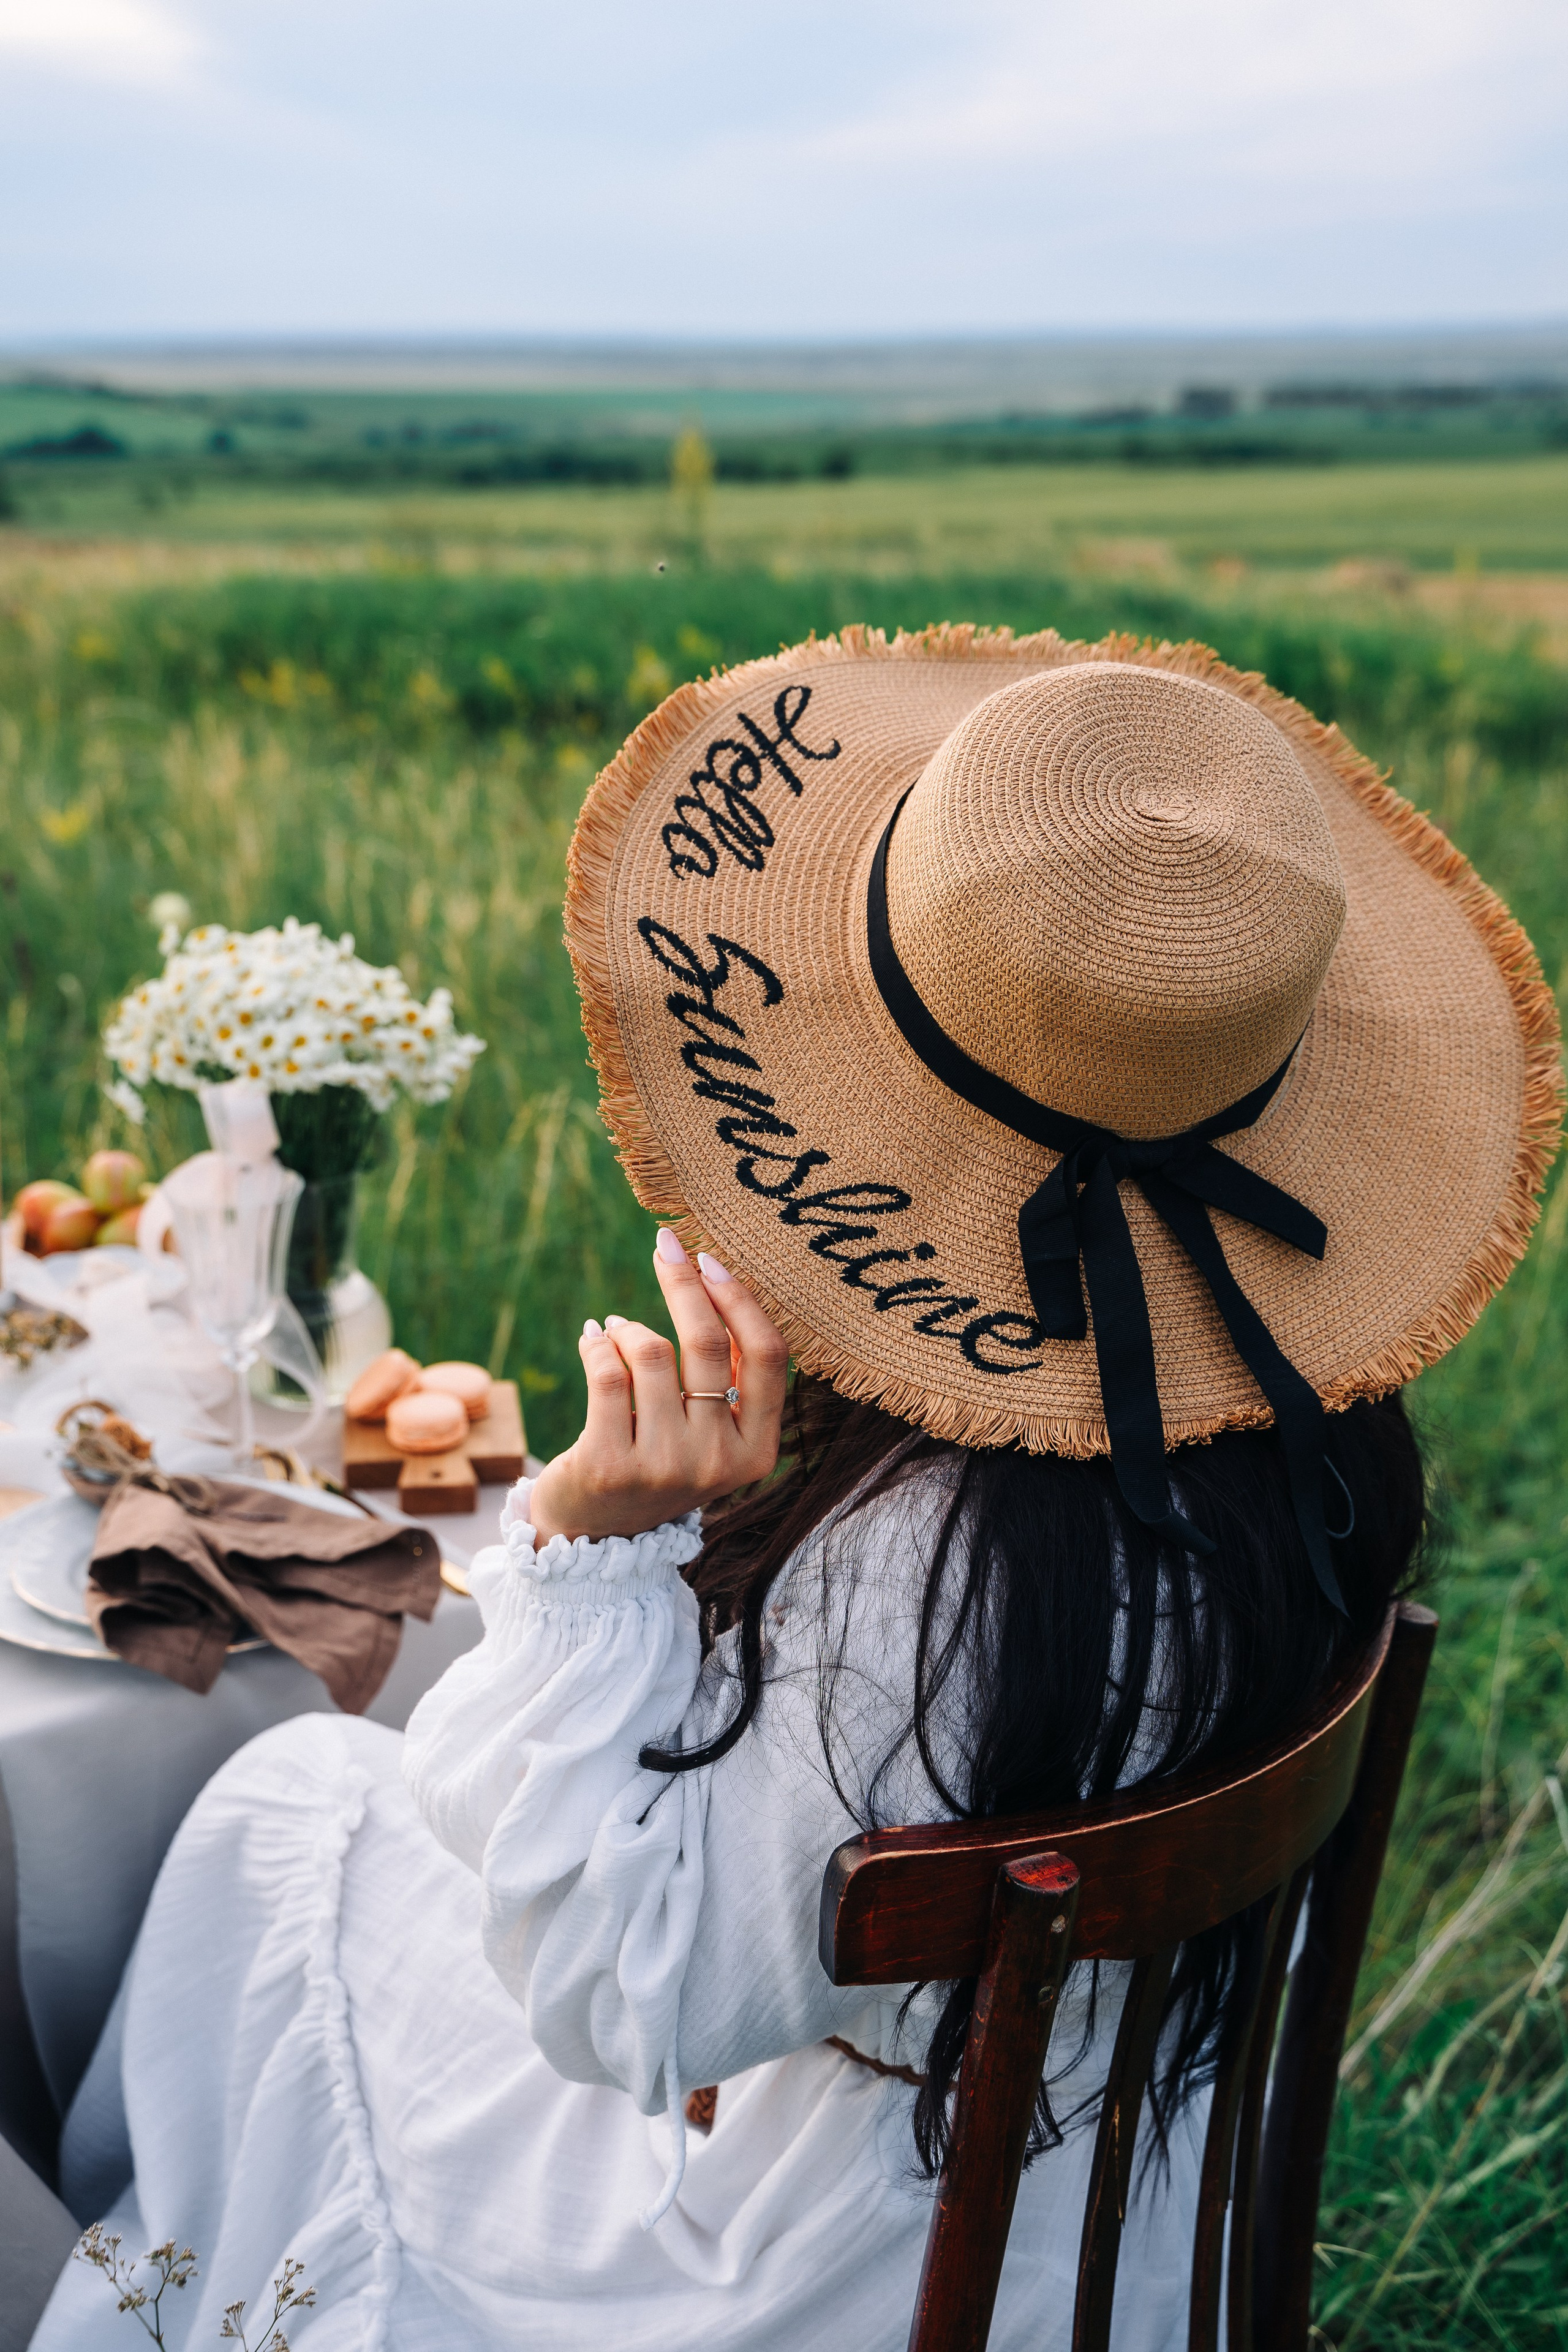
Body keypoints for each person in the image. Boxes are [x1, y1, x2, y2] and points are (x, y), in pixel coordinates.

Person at [31, 631, 1558, 2351]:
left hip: (833, 2276)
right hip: (1111, 2241)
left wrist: (586, 1547)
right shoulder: (1310, 1448)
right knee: (336, 1810)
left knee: (286, 1806)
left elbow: (626, 2007)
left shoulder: (933, 1572)